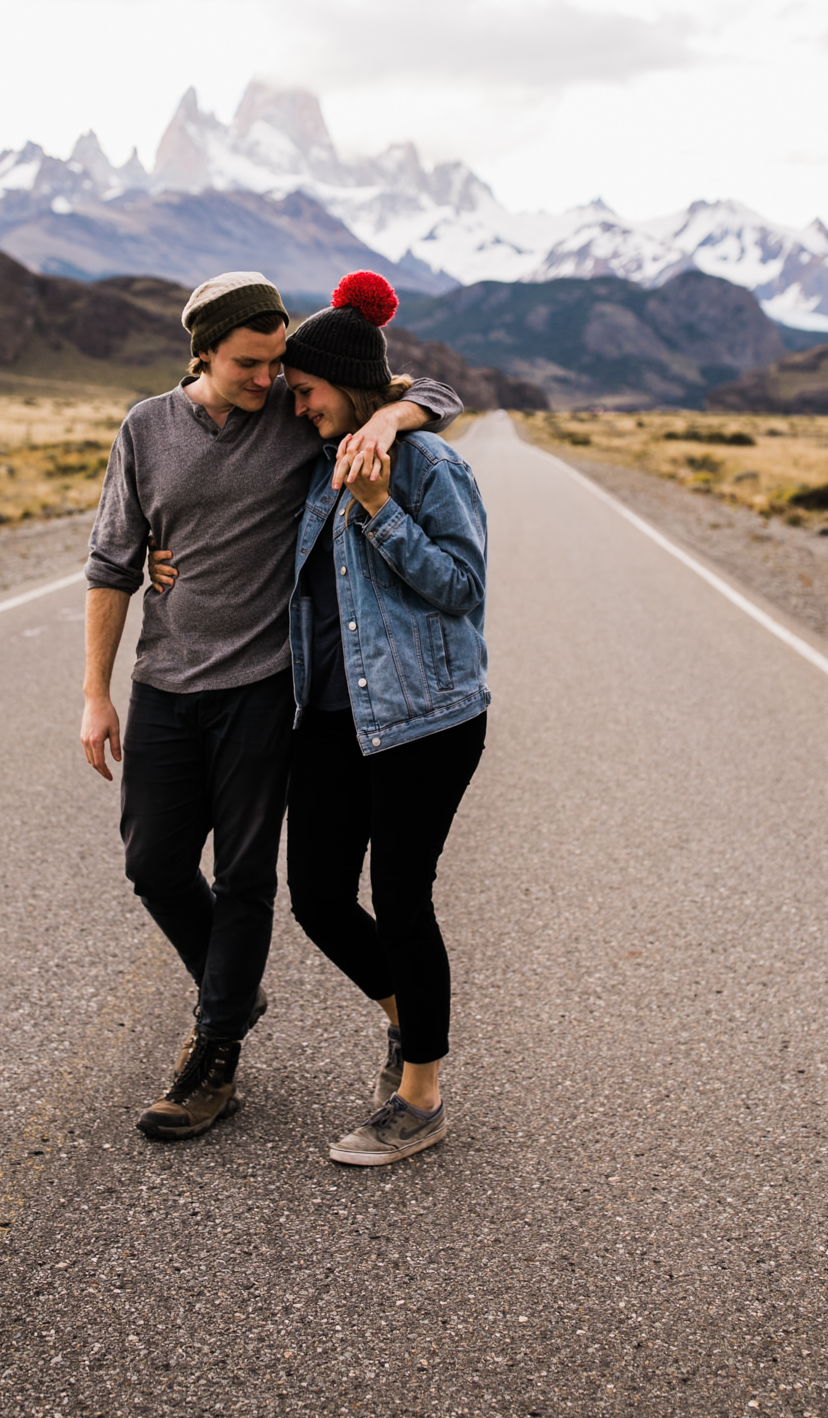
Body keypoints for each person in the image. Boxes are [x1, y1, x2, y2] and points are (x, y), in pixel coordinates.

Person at [80, 269, 460, 1145]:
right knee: (154, 865)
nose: (269, 382)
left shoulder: (301, 426)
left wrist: (387, 416)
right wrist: (96, 692)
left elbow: (429, 393)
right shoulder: (145, 428)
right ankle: (233, 989)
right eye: (250, 364)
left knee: (251, 877)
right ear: (202, 351)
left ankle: (214, 1053)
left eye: (278, 365)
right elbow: (111, 561)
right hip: (164, 683)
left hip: (262, 688)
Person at [278, 270, 489, 1167]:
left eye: (306, 391)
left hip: (426, 719)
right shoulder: (322, 454)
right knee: (319, 898)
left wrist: (379, 510)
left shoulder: (431, 464)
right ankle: (410, 1023)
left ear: (346, 384)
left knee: (402, 897)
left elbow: (462, 588)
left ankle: (421, 1095)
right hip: (328, 715)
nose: (296, 408)